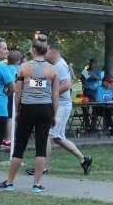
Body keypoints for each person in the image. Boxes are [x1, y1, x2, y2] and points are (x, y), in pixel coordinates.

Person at [1, 34, 59, 193]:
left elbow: (18, 93)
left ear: (33, 50)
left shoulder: (24, 68)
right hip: (45, 109)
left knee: (19, 146)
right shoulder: (52, 70)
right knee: (41, 147)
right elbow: (55, 95)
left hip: (27, 108)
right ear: (46, 50)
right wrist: (54, 114)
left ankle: (10, 182)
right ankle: (36, 184)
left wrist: (18, 110)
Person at [39, 43, 92, 175]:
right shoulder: (55, 65)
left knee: (48, 134)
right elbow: (47, 84)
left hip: (62, 105)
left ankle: (42, 167)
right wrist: (30, 83)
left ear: (53, 51)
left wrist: (51, 95)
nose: (44, 53)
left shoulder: (60, 65)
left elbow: (66, 85)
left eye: (46, 51)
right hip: (59, 105)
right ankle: (84, 159)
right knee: (57, 137)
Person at [0, 38, 15, 187]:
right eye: (4, 48)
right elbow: (13, 87)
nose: (7, 51)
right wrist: (4, 95)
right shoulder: (3, 68)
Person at [4, 50, 22, 148]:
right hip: (17, 94)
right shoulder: (20, 69)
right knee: (12, 117)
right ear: (19, 60)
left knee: (9, 117)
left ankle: (8, 139)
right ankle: (10, 139)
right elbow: (22, 81)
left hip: (9, 94)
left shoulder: (6, 68)